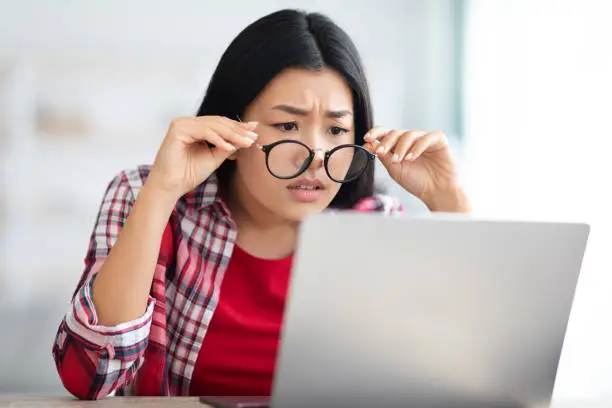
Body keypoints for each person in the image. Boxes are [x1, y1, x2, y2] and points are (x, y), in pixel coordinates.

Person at [52, 8, 471, 400]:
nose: (315, 155)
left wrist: (447, 198)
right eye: (287, 124)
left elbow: (467, 376)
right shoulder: (147, 195)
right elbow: (89, 376)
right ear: (231, 126)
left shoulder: (379, 226)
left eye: (337, 130)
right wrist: (162, 191)